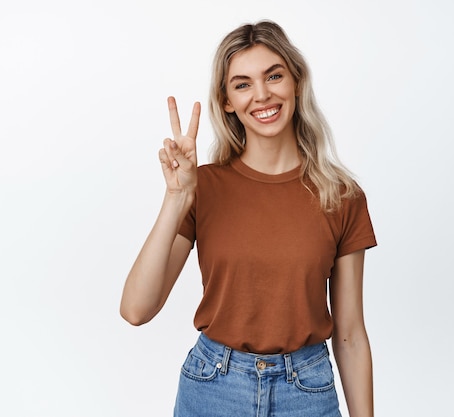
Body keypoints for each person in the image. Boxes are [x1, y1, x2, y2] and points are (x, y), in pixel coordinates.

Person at [120, 20, 377, 417]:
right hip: (213, 388)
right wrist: (176, 198)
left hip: (306, 392)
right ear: (226, 101)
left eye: (274, 76)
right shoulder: (202, 187)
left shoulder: (341, 196)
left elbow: (351, 335)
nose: (262, 95)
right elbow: (136, 309)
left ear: (296, 81)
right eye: (242, 84)